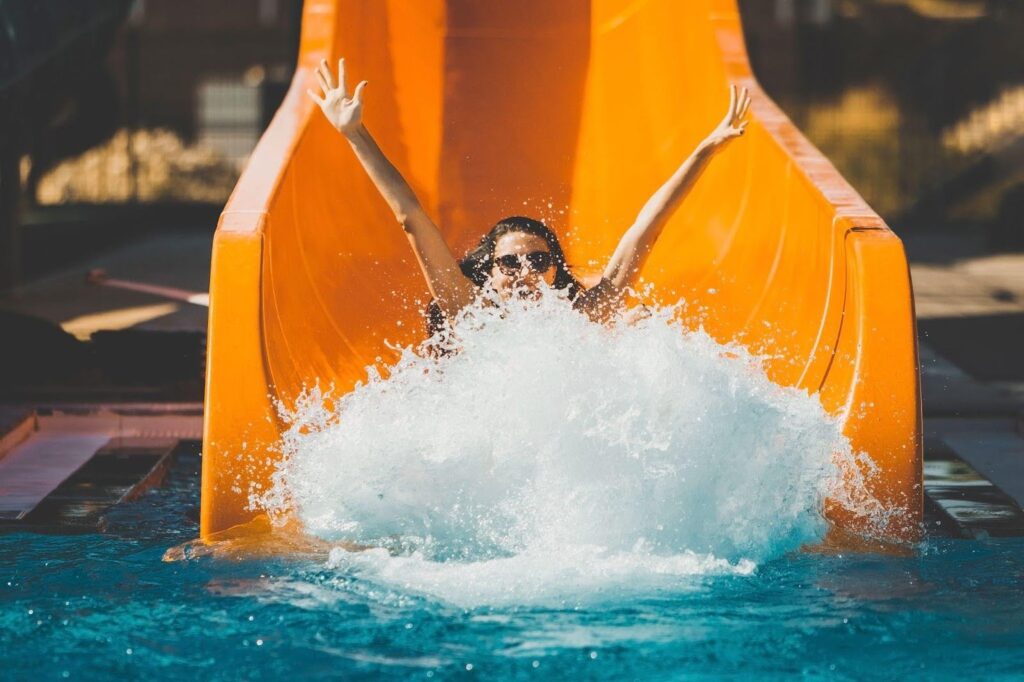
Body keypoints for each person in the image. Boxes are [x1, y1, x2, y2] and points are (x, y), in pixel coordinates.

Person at [307, 58, 750, 331]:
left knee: (641, 322)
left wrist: (705, 149)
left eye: (538, 260)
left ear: (555, 271)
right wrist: (356, 135)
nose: (524, 272)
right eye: (509, 262)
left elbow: (647, 229)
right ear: (490, 273)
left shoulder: (583, 317)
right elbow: (410, 217)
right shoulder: (467, 313)